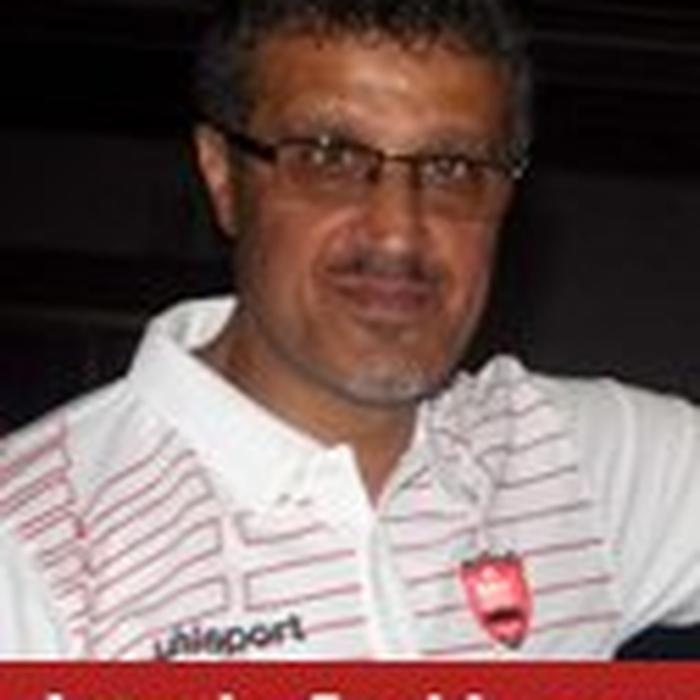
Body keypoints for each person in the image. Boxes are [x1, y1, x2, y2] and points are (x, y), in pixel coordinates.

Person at [1, 0, 700, 661]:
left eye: (451, 168)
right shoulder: (32, 549)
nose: (397, 232)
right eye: (329, 157)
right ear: (222, 175)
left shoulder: (575, 466)